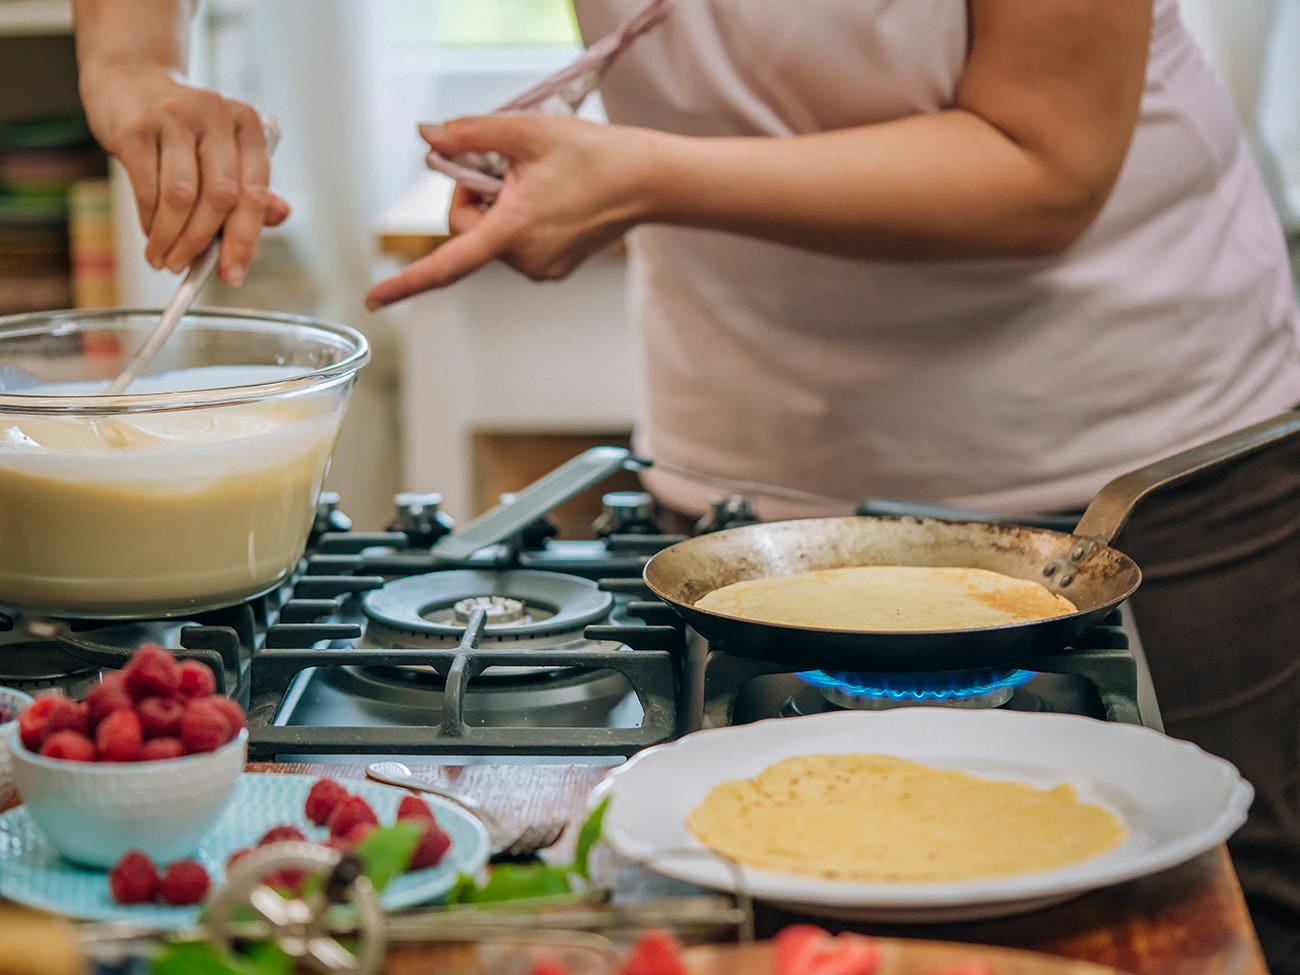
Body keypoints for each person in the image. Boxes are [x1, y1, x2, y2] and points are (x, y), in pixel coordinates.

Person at [72, 1, 1300, 969]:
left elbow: (1048, 159)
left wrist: (645, 175)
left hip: (1129, 472)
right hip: (750, 500)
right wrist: (133, 62)